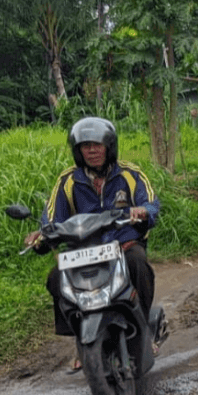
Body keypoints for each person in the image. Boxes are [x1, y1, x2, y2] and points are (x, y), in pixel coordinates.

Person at [24, 117, 160, 372]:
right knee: (56, 278)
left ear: (110, 147)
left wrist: (143, 211)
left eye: (98, 145)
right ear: (78, 151)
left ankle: (143, 331)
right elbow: (51, 219)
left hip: (123, 244)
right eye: (86, 146)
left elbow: (151, 203)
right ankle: (81, 339)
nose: (92, 150)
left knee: (138, 264)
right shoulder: (67, 181)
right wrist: (41, 236)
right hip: (84, 251)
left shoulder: (130, 174)